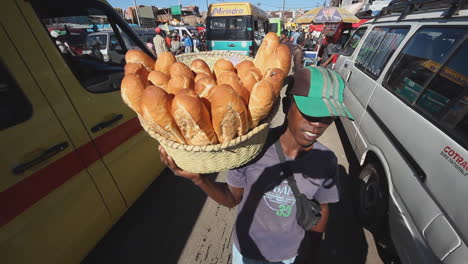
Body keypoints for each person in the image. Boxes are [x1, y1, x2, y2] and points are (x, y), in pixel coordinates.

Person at [159, 66, 354, 264]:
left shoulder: (326, 160)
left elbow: (322, 208)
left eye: (328, 116)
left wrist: (312, 254)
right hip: (247, 251)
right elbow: (231, 198)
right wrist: (199, 179)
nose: (318, 123)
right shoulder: (252, 148)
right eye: (311, 113)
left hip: (289, 255)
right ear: (287, 106)